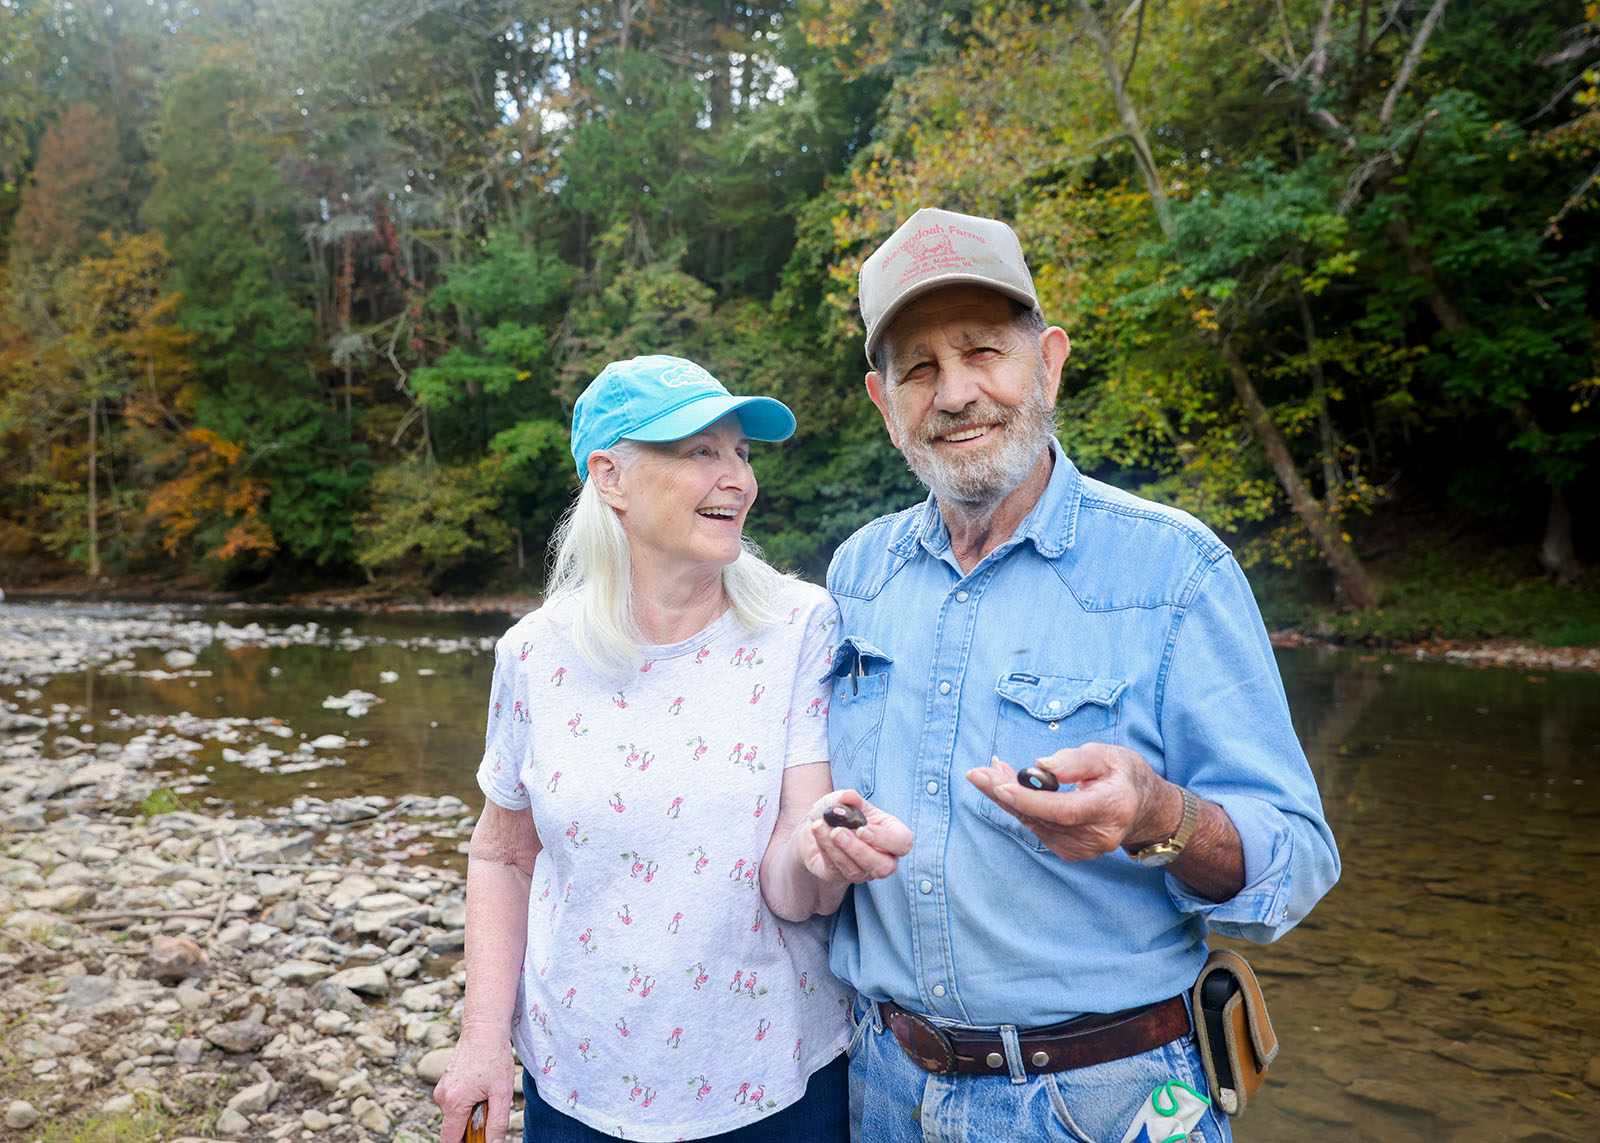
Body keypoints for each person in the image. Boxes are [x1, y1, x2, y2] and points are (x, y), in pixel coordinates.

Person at [823, 208, 1341, 1143]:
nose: (955, 393)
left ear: (1049, 363)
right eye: (920, 368)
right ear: (881, 399)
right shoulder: (856, 574)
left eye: (985, 351)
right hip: (880, 1089)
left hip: (1111, 1102)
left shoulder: (1176, 570)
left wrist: (1160, 816)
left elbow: (1296, 860)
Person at [432, 354, 909, 1143]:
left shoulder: (799, 626)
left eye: (742, 453)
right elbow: (504, 855)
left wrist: (825, 854)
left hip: (772, 1081)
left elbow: (792, 882)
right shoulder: (532, 654)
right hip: (578, 1078)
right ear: (610, 476)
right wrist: (484, 1036)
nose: (740, 480)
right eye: (702, 452)